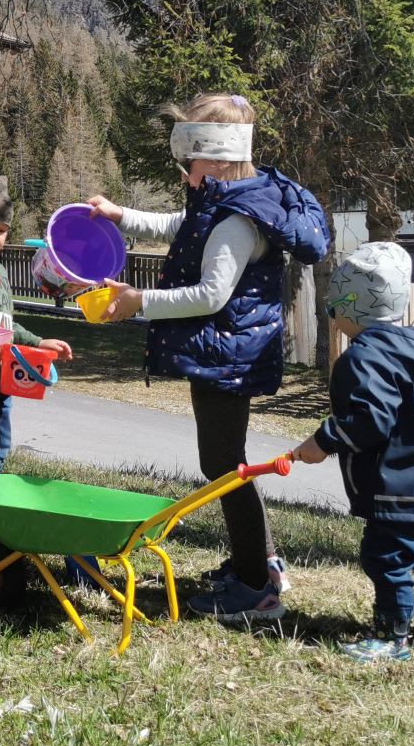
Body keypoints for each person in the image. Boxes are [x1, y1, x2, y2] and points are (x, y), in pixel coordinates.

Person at [87, 92, 329, 624]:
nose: (183, 173)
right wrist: (119, 215)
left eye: (189, 162)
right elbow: (180, 226)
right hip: (229, 352)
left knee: (224, 467)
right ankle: (262, 564)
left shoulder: (236, 220)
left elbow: (211, 295)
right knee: (227, 463)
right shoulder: (230, 200)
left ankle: (255, 588)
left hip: (228, 356)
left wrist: (139, 302)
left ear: (216, 160)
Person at [291, 241, 414, 662]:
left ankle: (392, 636)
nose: (332, 315)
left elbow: (369, 421)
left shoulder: (362, 360)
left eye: (333, 306)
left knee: (386, 559)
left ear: (350, 306)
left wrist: (322, 442)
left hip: (401, 494)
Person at [0, 173, 73, 479]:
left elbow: (7, 323)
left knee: (1, 439)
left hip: (2, 375)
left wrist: (38, 342)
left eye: (1, 231)